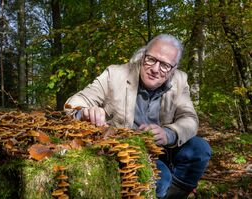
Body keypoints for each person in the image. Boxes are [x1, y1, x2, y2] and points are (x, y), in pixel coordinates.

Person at [64, 34, 211, 199]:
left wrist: (168, 133)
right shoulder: (115, 74)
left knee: (200, 149)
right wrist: (84, 111)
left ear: (173, 69)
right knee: (161, 179)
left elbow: (190, 119)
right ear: (143, 56)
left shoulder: (180, 81)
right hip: (129, 149)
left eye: (164, 65)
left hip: (164, 147)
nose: (155, 69)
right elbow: (76, 101)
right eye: (151, 59)